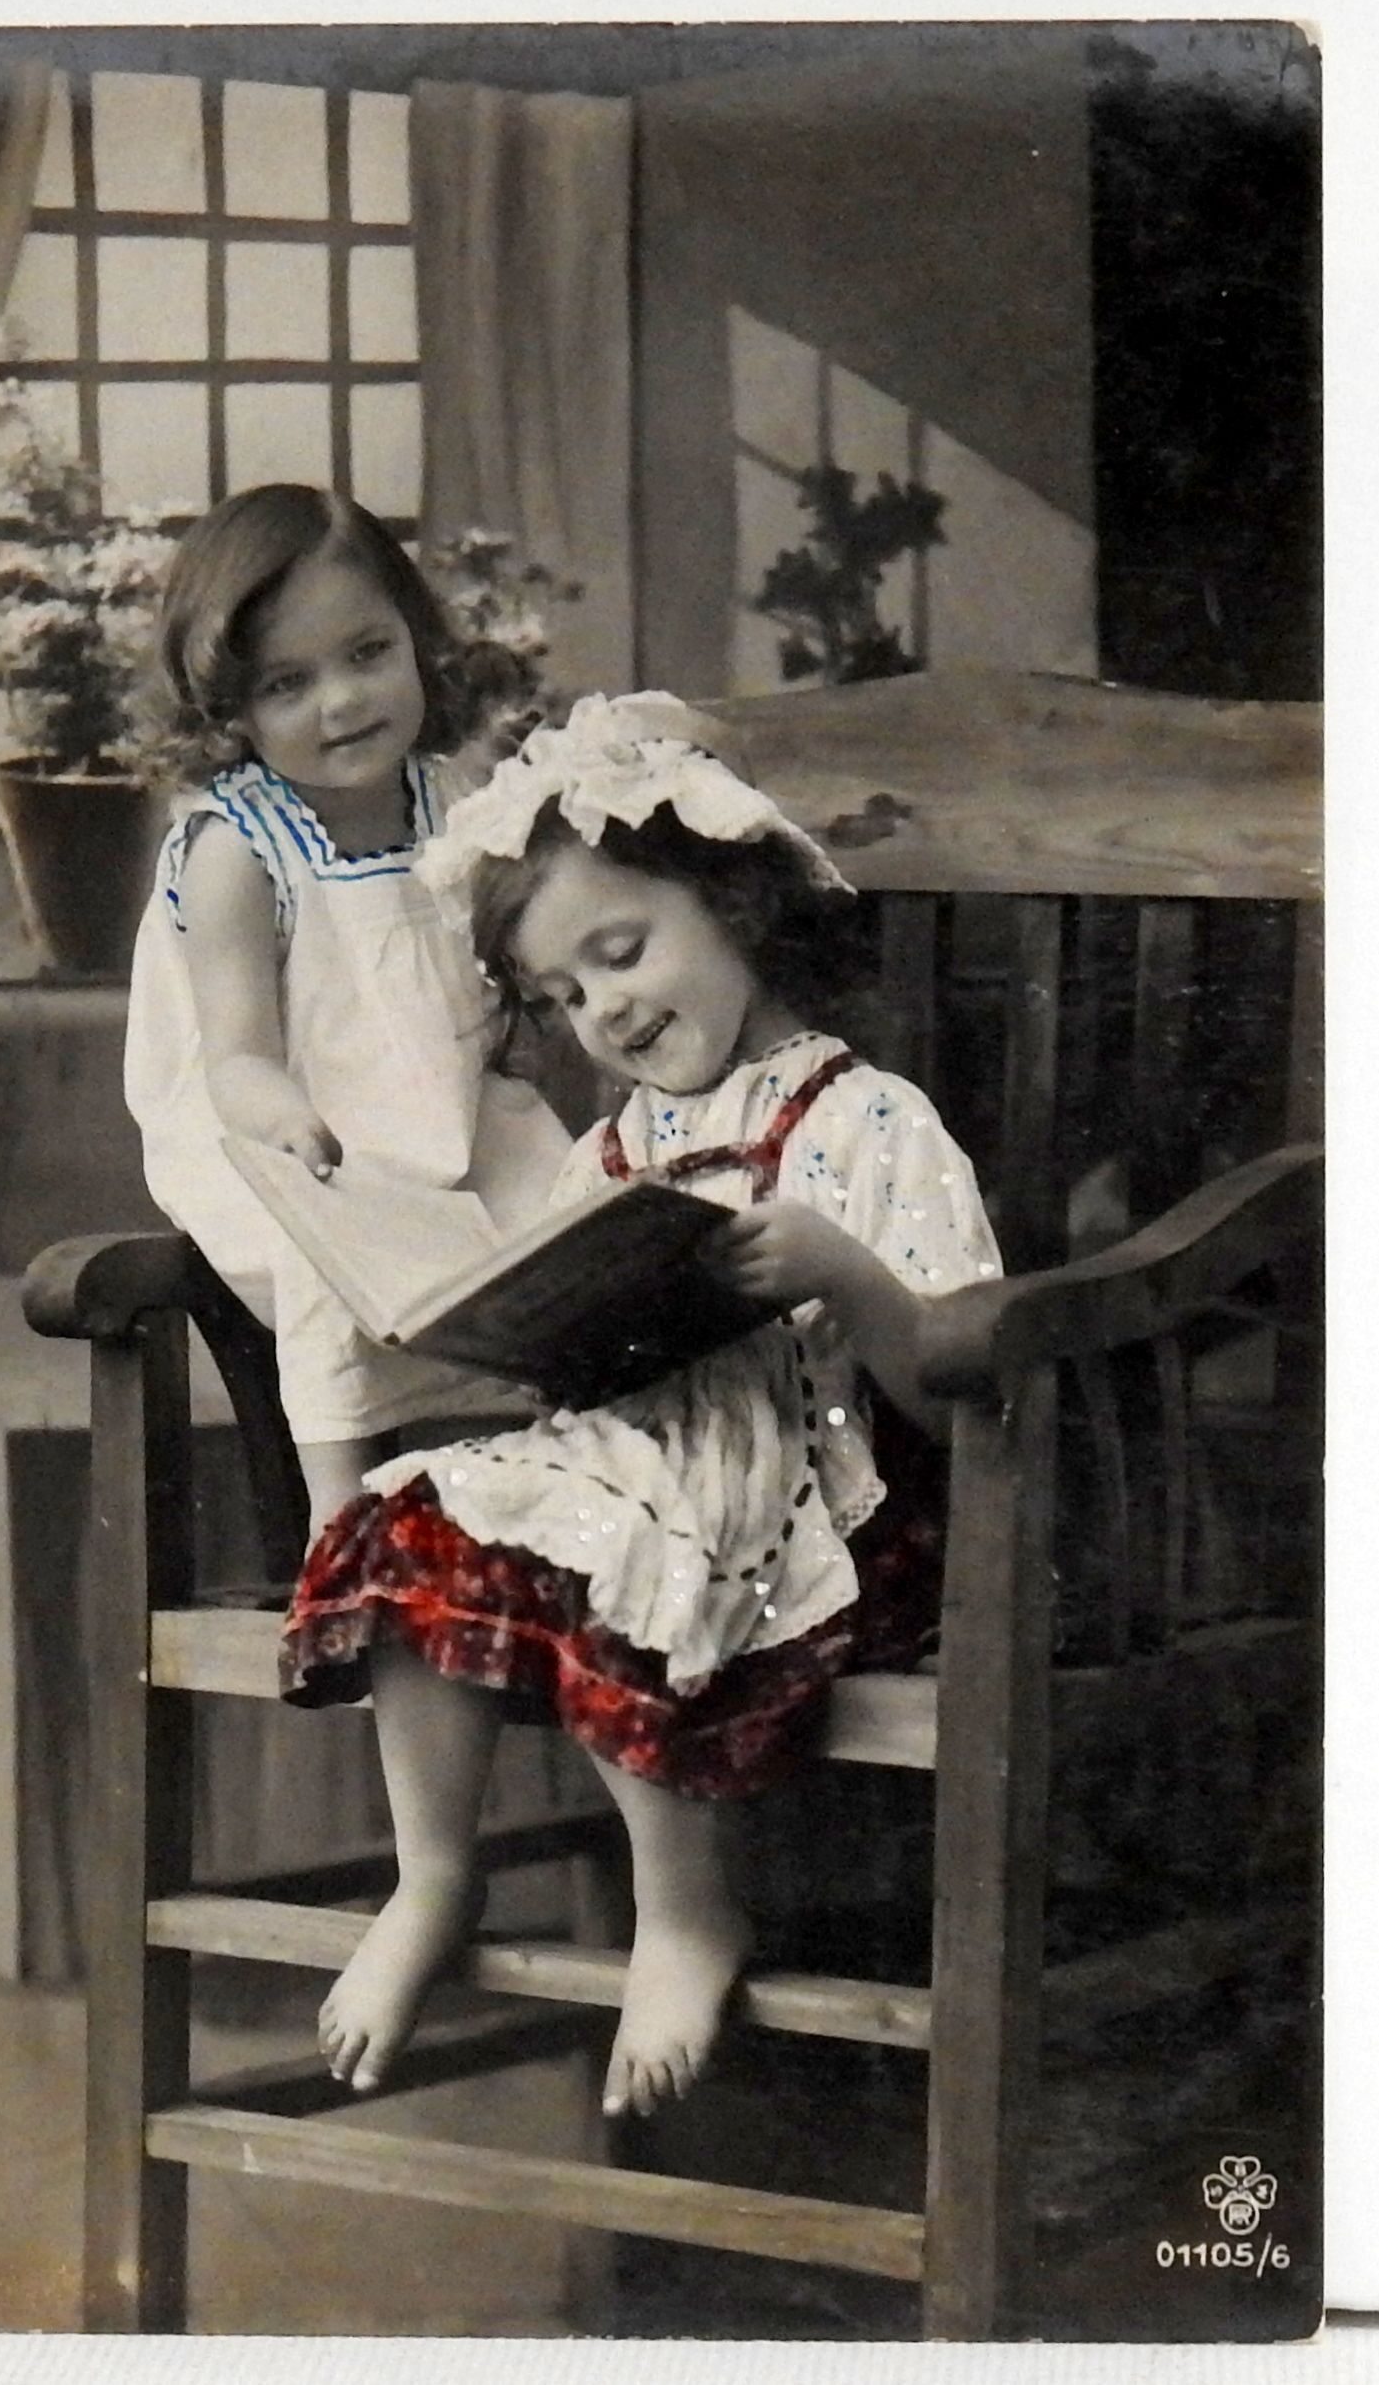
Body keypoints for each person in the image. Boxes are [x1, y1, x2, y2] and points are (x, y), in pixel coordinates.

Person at [279, 690, 1002, 2118]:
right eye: (561, 996)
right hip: (652, 1468)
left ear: (733, 904)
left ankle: (683, 1909)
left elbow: (957, 1374)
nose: (601, 1010)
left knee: (624, 1527)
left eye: (620, 953)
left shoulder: (868, 1118)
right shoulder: (615, 1147)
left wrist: (841, 1270)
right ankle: (434, 1871)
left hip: (841, 1516)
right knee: (407, 1514)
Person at [125, 484, 569, 1538]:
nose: (343, 701)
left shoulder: (453, 802)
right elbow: (236, 1055)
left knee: (571, 1213)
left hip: (446, 1114)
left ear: (416, 639)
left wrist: (523, 1021)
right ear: (230, 707)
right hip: (283, 1132)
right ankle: (340, 1509)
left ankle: (571, 1464)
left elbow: (489, 964)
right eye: (288, 682)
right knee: (327, 1240)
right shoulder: (238, 850)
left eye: (368, 653)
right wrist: (283, 1119)